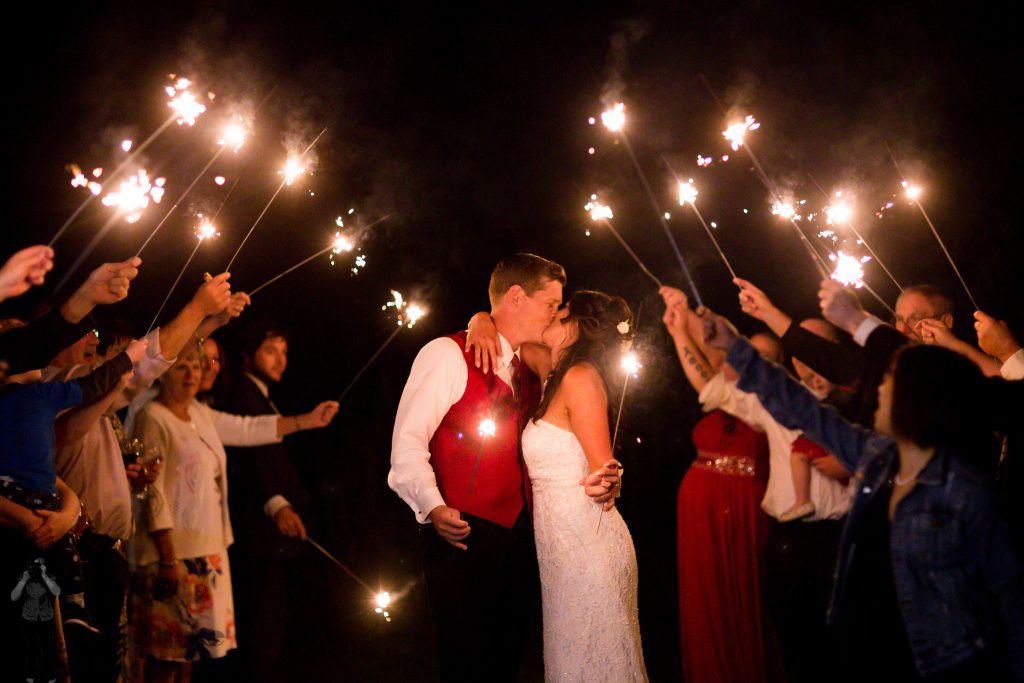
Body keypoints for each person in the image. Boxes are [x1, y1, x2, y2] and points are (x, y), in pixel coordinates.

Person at [701, 307, 1024, 681]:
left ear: (917, 400)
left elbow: (1010, 600)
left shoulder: (966, 494)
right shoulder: (882, 457)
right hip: (874, 651)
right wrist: (732, 346)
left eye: (890, 379)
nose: (881, 389)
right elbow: (806, 412)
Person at [389, 253, 618, 682]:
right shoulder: (446, 353)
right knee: (465, 663)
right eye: (550, 303)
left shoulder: (536, 365)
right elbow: (406, 444)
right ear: (516, 296)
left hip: (524, 539)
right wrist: (433, 508)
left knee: (506, 661)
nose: (555, 313)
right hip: (462, 533)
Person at [51, 275, 245, 682]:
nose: (90, 339)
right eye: (85, 332)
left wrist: (208, 323)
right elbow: (142, 372)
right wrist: (197, 312)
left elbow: (146, 369)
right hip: (78, 557)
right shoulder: (55, 394)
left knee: (118, 667)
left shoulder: (81, 397)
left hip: (107, 556)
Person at [129, 346, 338, 682]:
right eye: (183, 367)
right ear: (165, 371)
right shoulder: (152, 416)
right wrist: (167, 556)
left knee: (190, 655)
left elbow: (246, 429)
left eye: (197, 367)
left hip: (209, 551)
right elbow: (151, 489)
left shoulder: (200, 413)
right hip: (172, 555)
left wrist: (307, 420)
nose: (193, 374)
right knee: (164, 655)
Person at [519, 290, 647, 681]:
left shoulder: (581, 377)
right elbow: (519, 343)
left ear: (577, 328)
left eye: (559, 316)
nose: (550, 319)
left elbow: (604, 469)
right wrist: (481, 320)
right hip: (560, 552)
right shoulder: (554, 375)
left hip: (588, 547)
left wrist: (607, 484)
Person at [661, 288, 779, 683]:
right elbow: (715, 356)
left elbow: (705, 374)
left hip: (740, 504)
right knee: (705, 602)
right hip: (699, 504)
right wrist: (684, 311)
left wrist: (681, 333)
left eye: (761, 357)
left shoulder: (773, 402)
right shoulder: (732, 386)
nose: (748, 362)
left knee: (739, 601)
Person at [221, 322, 311, 683]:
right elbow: (251, 460)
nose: (280, 359)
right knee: (260, 629)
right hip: (258, 534)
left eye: (284, 352)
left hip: (267, 537)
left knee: (269, 627)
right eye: (271, 351)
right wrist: (277, 504)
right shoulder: (243, 396)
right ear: (248, 354)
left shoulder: (260, 395)